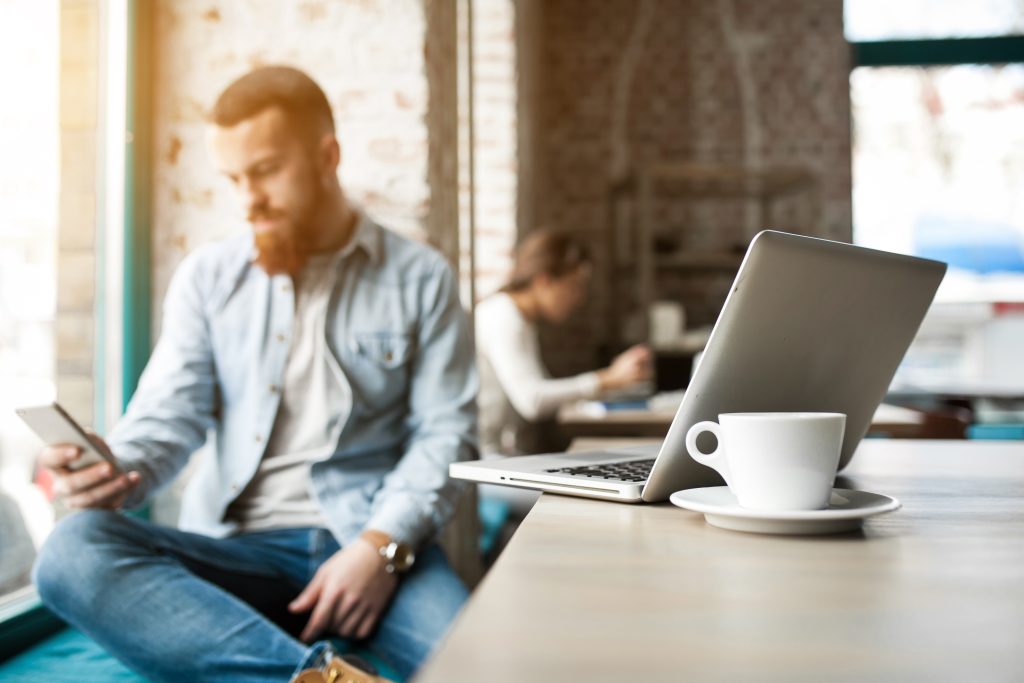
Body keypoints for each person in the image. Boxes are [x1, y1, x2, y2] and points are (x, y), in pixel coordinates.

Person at [32, 66, 477, 683]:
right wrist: (115, 468)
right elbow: (169, 416)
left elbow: (445, 436)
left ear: (329, 156)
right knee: (69, 553)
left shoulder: (421, 278)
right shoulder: (209, 279)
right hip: (238, 549)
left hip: (369, 543)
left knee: (485, 662)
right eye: (234, 179)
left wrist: (381, 549)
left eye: (266, 171)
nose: (248, 199)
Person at [476, 228, 652, 458]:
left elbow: (545, 392)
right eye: (575, 285)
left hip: (502, 453)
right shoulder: (503, 317)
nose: (579, 298)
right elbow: (533, 401)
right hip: (483, 458)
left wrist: (613, 382)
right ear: (544, 280)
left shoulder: (519, 317)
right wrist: (606, 378)